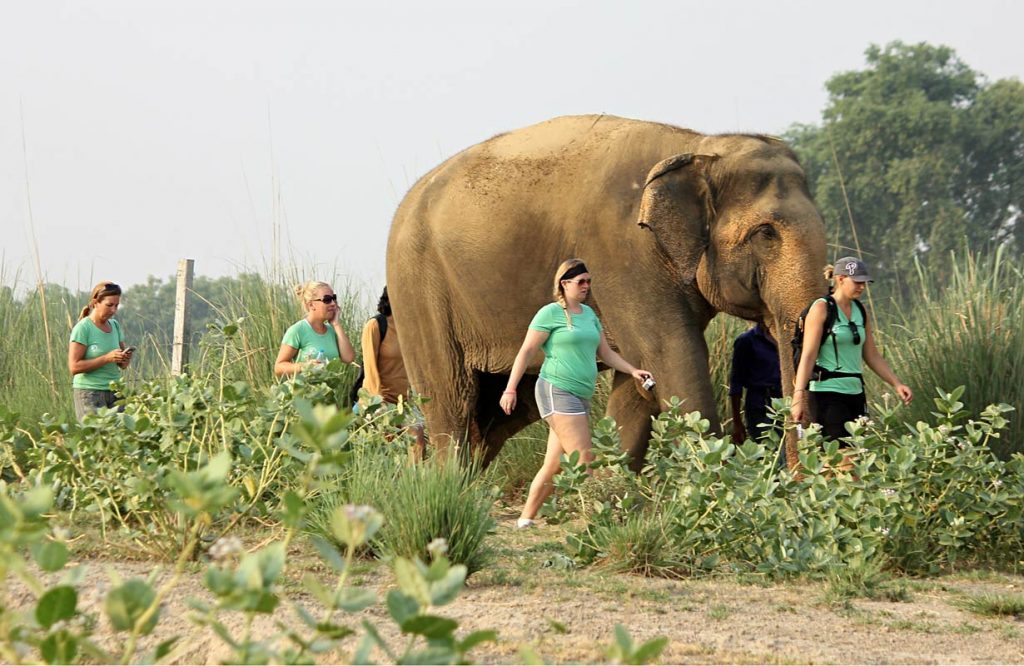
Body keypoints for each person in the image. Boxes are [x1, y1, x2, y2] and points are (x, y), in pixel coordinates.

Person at [500, 259, 653, 529]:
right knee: (583, 460)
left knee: (555, 463)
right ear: (564, 283)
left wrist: (632, 371)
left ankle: (525, 519)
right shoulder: (550, 313)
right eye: (581, 281)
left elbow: (605, 353)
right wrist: (511, 388)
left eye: (588, 281)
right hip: (556, 389)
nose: (586, 286)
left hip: (581, 394)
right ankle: (603, 524)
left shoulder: (589, 315)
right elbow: (526, 351)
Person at [792, 257, 913, 441]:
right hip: (828, 392)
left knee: (854, 459)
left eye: (864, 282)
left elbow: (872, 355)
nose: (862, 286)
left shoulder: (860, 310)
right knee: (843, 458)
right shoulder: (822, 308)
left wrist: (896, 384)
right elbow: (808, 356)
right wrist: (798, 396)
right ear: (840, 279)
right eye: (857, 282)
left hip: (856, 394)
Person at [359, 286, 425, 455]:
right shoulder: (375, 325)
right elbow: (369, 367)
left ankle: (412, 480)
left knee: (418, 443)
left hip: (404, 400)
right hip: (378, 398)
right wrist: (378, 402)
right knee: (387, 447)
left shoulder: (411, 328)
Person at [68, 281, 133, 420]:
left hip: (115, 392)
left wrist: (124, 359)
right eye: (109, 305)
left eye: (116, 305)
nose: (114, 310)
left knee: (121, 438)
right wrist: (106, 358)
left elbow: (122, 365)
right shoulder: (83, 328)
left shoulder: (115, 326)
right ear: (95, 303)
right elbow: (74, 367)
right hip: (90, 394)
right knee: (96, 438)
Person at [274, 281, 355, 376]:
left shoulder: (333, 330)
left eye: (334, 298)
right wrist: (305, 366)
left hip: (331, 390)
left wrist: (336, 324)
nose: (333, 303)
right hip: (307, 390)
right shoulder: (298, 330)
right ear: (311, 305)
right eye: (327, 299)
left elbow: (348, 358)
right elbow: (278, 367)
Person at [729, 322, 782, 444]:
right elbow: (736, 383)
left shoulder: (787, 339)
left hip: (784, 404)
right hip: (759, 405)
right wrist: (737, 422)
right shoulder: (747, 340)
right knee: (765, 449)